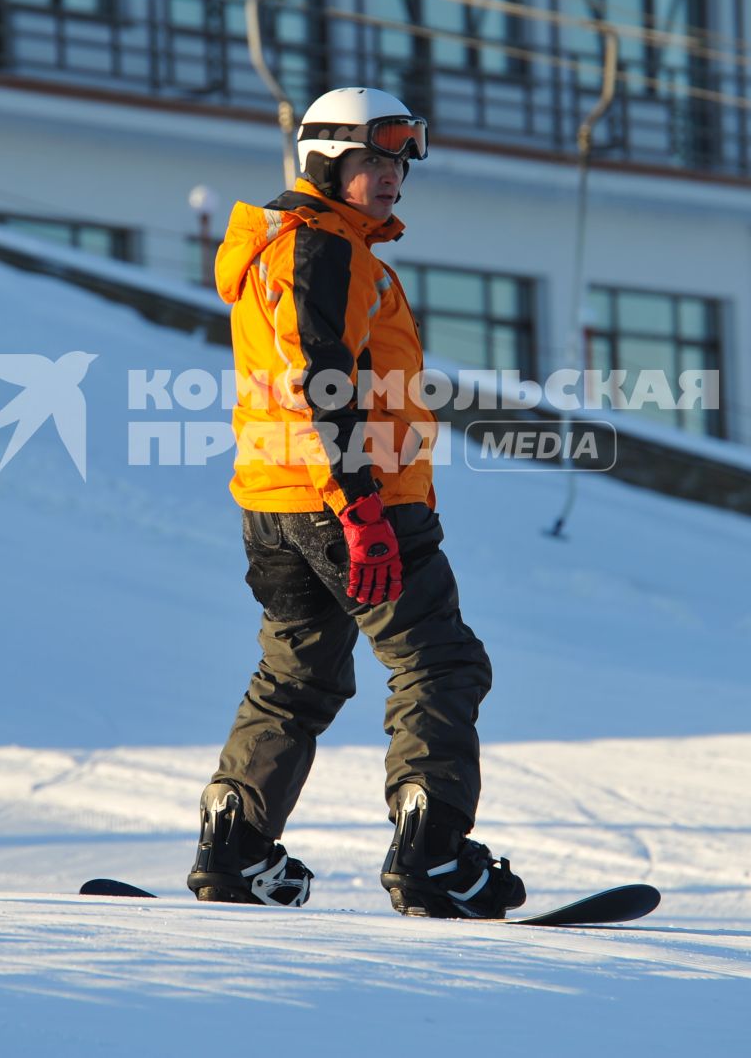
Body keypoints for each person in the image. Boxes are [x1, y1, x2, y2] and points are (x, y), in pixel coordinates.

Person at [185, 86, 526, 919]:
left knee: (297, 675)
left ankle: (234, 847)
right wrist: (362, 508)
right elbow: (320, 381)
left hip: (276, 500)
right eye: (373, 160)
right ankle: (432, 855)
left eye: (399, 162)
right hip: (348, 501)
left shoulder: (282, 249)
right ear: (325, 161)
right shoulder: (322, 249)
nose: (391, 179)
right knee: (439, 664)